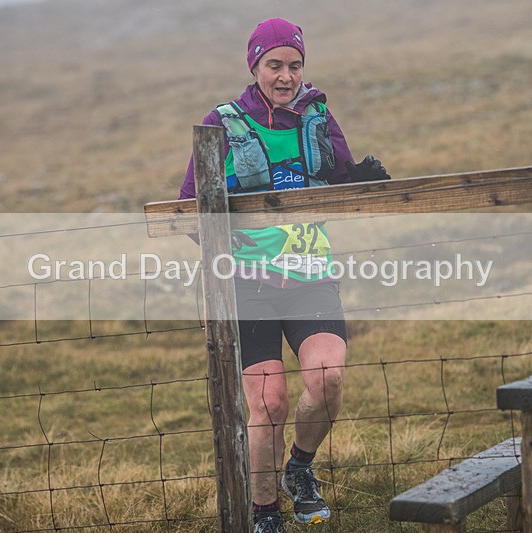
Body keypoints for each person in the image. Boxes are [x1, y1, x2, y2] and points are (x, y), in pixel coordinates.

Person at [178, 17, 390, 532]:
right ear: (254, 66)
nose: (286, 76)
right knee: (269, 403)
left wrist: (359, 183)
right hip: (246, 284)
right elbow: (188, 209)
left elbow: (338, 185)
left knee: (328, 379)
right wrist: (225, 227)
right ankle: (265, 511)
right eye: (275, 65)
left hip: (310, 275)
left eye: (295, 65)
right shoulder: (222, 124)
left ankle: (299, 467)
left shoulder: (318, 118)